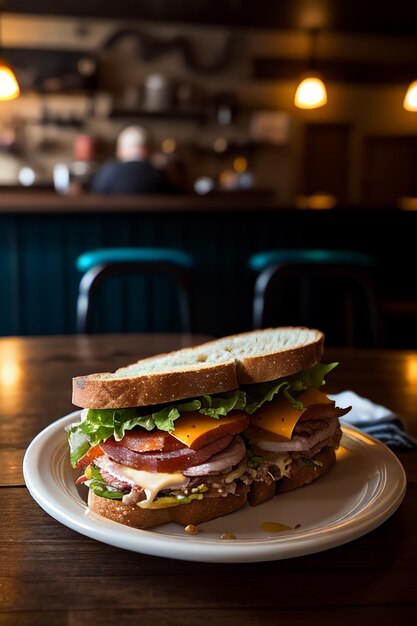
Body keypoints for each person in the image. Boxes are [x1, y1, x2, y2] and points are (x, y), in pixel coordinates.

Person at [91, 126, 178, 195]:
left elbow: (95, 195)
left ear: (120, 150)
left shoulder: (108, 173)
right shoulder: (159, 176)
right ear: (148, 149)